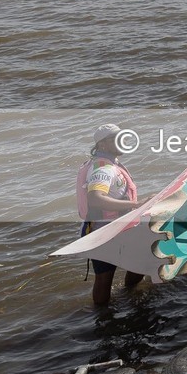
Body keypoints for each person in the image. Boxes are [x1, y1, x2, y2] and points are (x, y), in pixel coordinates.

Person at [75, 124, 146, 306]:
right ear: (102, 145)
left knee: (105, 277)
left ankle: (104, 315)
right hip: (108, 230)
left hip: (98, 228)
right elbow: (95, 199)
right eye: (116, 139)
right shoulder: (103, 169)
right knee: (135, 265)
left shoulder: (100, 163)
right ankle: (124, 298)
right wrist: (136, 204)